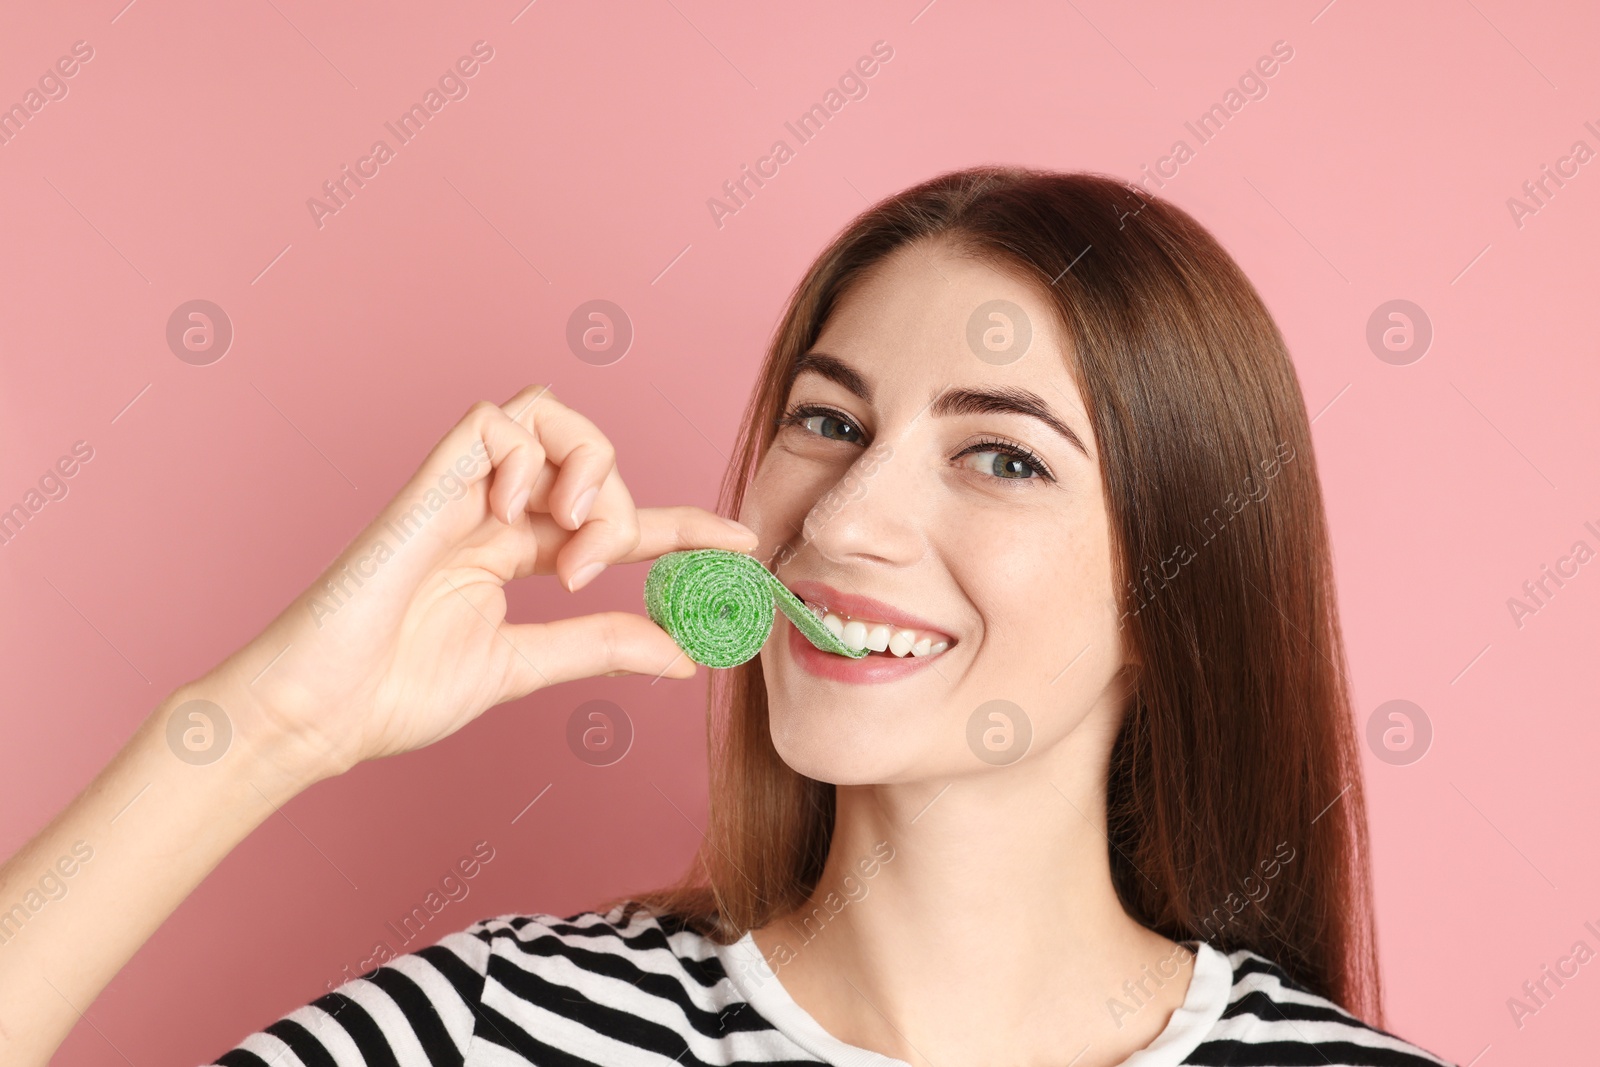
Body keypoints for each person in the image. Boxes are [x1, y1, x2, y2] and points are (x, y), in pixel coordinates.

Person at [0, 166, 1454, 1067]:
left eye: (1000, 454)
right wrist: (268, 728)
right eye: (829, 421)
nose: (841, 520)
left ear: (1174, 584)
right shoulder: (499, 1023)